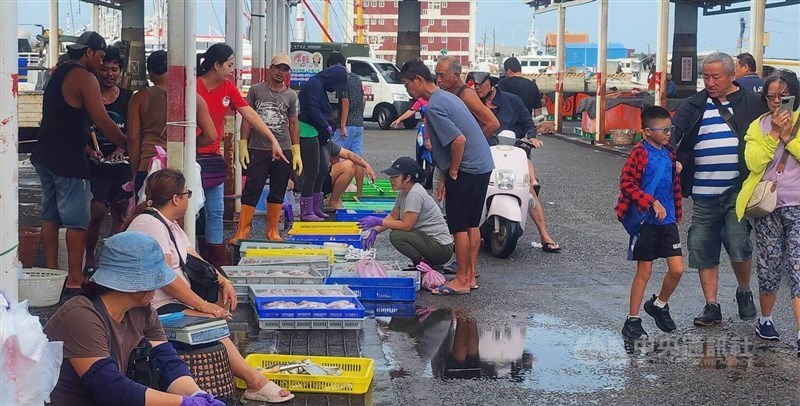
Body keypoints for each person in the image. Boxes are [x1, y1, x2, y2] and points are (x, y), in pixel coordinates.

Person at [126, 169, 294, 403]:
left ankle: (249, 380)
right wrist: (203, 306)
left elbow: (194, 258)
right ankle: (254, 381)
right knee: (210, 322)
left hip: (173, 302)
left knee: (217, 312)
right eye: (187, 194)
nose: (188, 198)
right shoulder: (148, 224)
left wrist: (223, 280)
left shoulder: (170, 224)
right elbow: (162, 275)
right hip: (153, 306)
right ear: (176, 198)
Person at [44, 231, 225, 406]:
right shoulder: (81, 316)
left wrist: (196, 394)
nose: (159, 286)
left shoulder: (143, 311)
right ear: (137, 285)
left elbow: (167, 362)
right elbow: (110, 389)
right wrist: (182, 402)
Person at [670, 52, 768, 326]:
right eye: (706, 76)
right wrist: (671, 158)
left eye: (716, 77)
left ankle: (744, 289)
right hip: (703, 191)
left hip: (738, 189)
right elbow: (674, 134)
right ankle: (711, 305)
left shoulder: (751, 102)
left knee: (739, 242)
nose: (710, 82)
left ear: (731, 75)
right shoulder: (694, 104)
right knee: (703, 247)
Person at [31, 31, 127, 293]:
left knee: (50, 216)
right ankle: (74, 278)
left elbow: (60, 116)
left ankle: (52, 274)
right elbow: (103, 120)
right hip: (68, 159)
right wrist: (129, 143)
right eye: (100, 57)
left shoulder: (57, 72)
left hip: (45, 154)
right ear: (90, 53)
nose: (102, 63)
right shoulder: (84, 77)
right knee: (77, 221)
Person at [400, 59, 494, 295]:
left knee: (459, 226)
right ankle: (470, 276)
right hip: (482, 165)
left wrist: (452, 171)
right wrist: (444, 177)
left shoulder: (435, 106)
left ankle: (461, 280)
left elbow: (458, 140)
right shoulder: (449, 96)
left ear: (419, 80)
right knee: (473, 223)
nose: (407, 90)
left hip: (467, 168)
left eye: (407, 85)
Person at [196, 43, 288, 267]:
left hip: (212, 159)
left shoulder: (228, 87)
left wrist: (273, 140)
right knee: (192, 211)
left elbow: (250, 114)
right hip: (190, 158)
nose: (232, 70)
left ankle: (216, 261)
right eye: (229, 65)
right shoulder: (193, 86)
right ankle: (193, 255)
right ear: (216, 65)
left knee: (216, 210)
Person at [735, 70, 800, 350]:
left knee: (799, 268)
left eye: (783, 96)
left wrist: (789, 137)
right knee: (769, 264)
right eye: (771, 96)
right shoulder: (758, 126)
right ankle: (766, 319)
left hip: (798, 205)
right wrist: (774, 133)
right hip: (767, 207)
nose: (776, 102)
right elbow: (754, 162)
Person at [470, 70, 561, 253]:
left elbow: (529, 123)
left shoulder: (512, 101)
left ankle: (544, 235)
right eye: (474, 85)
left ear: (491, 83)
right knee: (469, 188)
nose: (477, 88)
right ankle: (462, 233)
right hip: (484, 154)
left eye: (480, 84)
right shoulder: (472, 104)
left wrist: (532, 137)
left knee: (529, 191)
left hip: (514, 153)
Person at [616, 106, 685, 340]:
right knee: (644, 271)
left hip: (667, 221)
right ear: (647, 131)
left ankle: (658, 304)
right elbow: (627, 184)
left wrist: (677, 168)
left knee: (677, 269)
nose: (668, 133)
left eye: (670, 128)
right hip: (646, 220)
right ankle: (632, 320)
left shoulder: (669, 152)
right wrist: (651, 201)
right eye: (664, 129)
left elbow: (672, 183)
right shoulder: (639, 153)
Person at [230, 53, 302, 243]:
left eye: (285, 69)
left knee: (278, 189)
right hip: (258, 147)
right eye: (278, 67)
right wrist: (243, 143)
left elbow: (294, 124)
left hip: (283, 147)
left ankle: (272, 230)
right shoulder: (255, 90)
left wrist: (296, 150)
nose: (281, 72)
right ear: (270, 68)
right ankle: (243, 230)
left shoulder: (292, 96)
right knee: (253, 187)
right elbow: (247, 117)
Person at [127, 50, 216, 196]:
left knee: (150, 213)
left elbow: (132, 138)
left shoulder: (140, 97)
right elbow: (211, 135)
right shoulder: (194, 98)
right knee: (184, 215)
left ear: (150, 72)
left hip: (149, 164)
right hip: (182, 165)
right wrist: (186, 145)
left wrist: (136, 171)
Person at [84, 47, 134, 268]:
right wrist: (89, 151)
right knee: (96, 212)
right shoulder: (88, 95)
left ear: (121, 72)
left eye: (114, 69)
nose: (109, 74)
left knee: (122, 213)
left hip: (122, 165)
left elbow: (134, 130)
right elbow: (77, 131)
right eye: (105, 69)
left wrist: (122, 149)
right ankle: (90, 257)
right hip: (95, 166)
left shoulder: (128, 98)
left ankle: (112, 259)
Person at [359, 157, 453, 271]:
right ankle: (424, 263)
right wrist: (375, 230)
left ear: (408, 177)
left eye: (395, 177)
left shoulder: (415, 193)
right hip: (431, 242)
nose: (391, 180)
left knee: (397, 235)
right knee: (398, 232)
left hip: (441, 248)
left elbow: (406, 225)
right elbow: (394, 216)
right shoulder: (404, 191)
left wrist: (378, 221)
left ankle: (424, 265)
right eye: (391, 177)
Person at [297, 51, 350, 221]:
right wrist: (325, 125)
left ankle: (316, 207)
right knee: (312, 171)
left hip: (318, 132)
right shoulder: (314, 84)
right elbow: (312, 110)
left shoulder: (319, 84)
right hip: (308, 131)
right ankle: (306, 211)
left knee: (322, 169)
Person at [333, 61, 367, 196]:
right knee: (357, 158)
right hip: (359, 123)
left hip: (347, 125)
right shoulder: (356, 78)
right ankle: (359, 192)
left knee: (334, 154)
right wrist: (359, 115)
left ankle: (335, 191)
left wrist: (342, 125)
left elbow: (345, 103)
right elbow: (363, 100)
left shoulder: (342, 80)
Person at [322, 141, 377, 210]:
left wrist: (367, 166)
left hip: (321, 181)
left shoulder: (327, 142)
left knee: (353, 162)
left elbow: (349, 154)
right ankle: (333, 201)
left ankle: (336, 199)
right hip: (311, 184)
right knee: (347, 166)